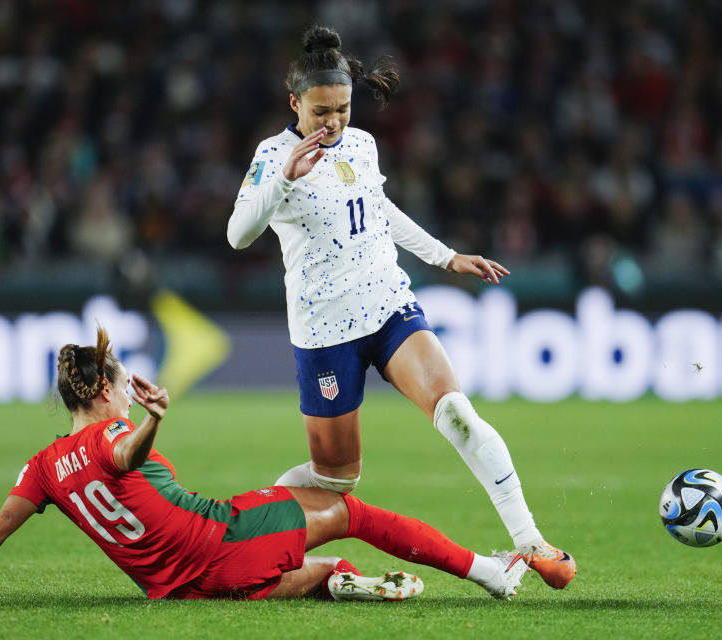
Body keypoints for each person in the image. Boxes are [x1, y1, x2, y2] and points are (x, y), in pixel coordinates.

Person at [227, 26, 575, 589]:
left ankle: (530, 541)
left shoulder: (362, 143)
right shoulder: (271, 157)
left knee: (458, 412)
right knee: (337, 481)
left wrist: (445, 256)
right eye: (321, 111)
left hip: (387, 303)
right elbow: (238, 235)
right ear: (295, 104)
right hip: (324, 330)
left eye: (342, 108)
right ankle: (248, 527)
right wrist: (281, 180)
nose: (333, 122)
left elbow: (378, 206)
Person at [0, 329, 529, 602]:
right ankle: (488, 573)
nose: (123, 392)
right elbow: (122, 454)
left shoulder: (41, 467)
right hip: (218, 539)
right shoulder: (113, 432)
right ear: (99, 394)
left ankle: (338, 582)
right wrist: (154, 418)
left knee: (312, 559)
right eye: (118, 387)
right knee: (350, 512)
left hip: (177, 587)